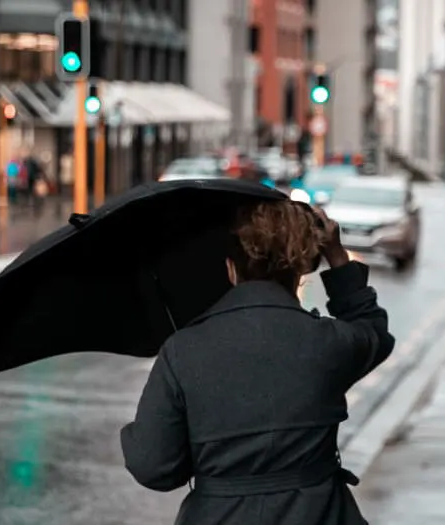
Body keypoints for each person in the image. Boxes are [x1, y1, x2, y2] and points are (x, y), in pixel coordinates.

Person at [120, 200, 395, 525]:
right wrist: (337, 256)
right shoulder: (328, 342)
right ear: (296, 273)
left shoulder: (183, 350)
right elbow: (373, 330)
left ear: (231, 269)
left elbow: (154, 467)